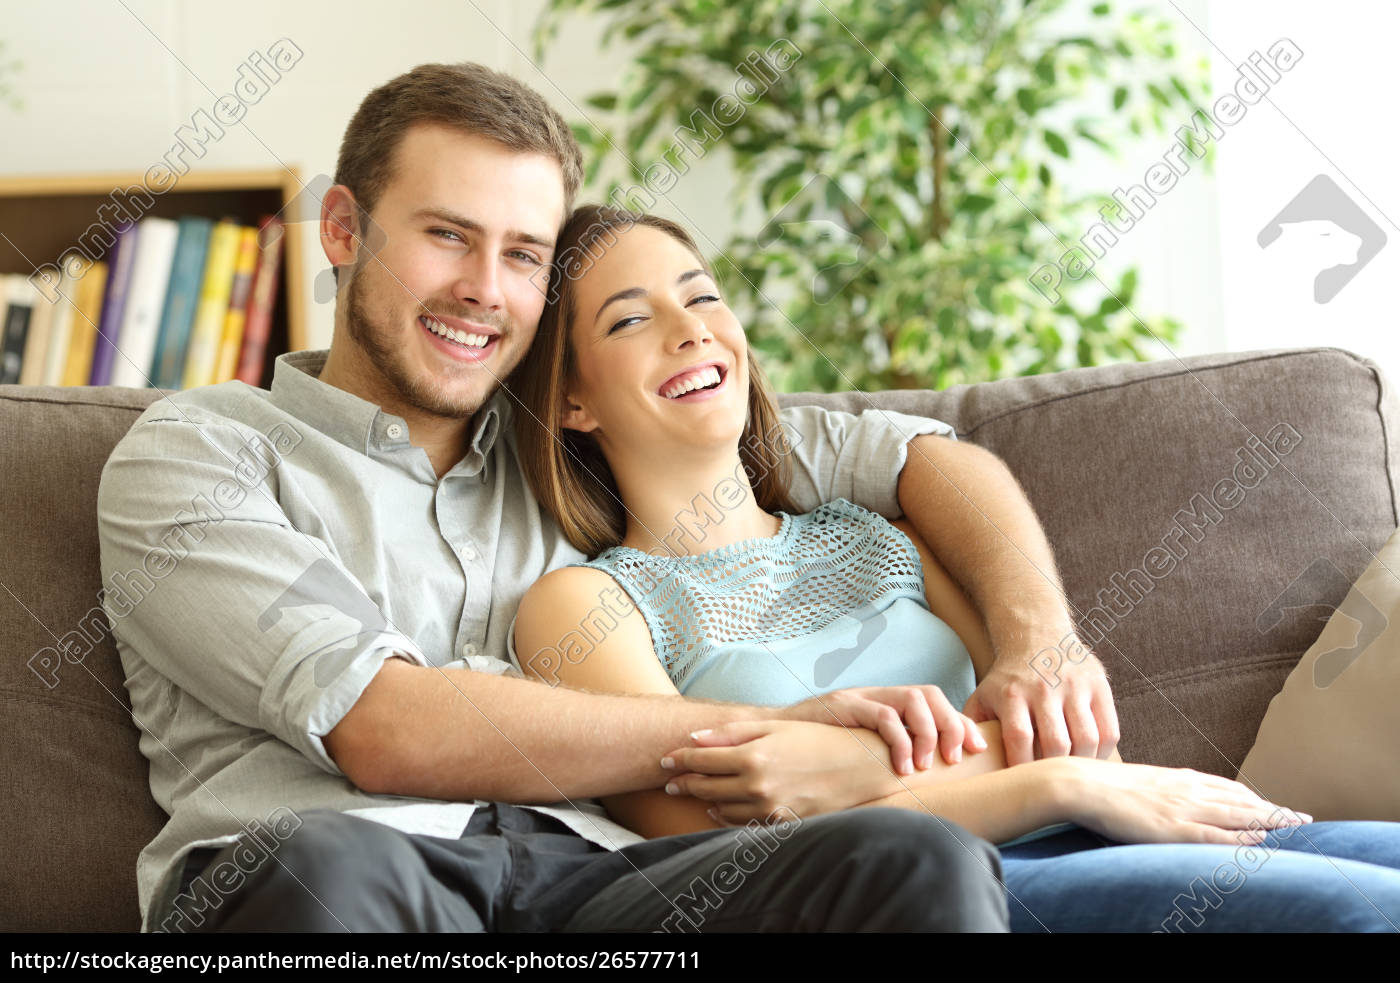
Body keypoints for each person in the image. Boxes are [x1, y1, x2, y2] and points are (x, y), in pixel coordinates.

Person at [94, 61, 1112, 934]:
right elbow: (379, 723)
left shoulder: (571, 440)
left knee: (902, 855)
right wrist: (763, 730)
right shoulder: (198, 452)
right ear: (343, 228)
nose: (485, 289)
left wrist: (1036, 638)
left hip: (589, 874)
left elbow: (914, 456)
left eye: (523, 255)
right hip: (334, 866)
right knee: (324, 864)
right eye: (447, 236)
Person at [508, 204, 1400, 933]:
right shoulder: (583, 605)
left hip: (1114, 826)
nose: (688, 330)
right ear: (571, 398)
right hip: (960, 892)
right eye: (630, 318)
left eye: (701, 297)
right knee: (1359, 915)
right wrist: (1048, 782)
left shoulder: (878, 533)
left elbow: (1074, 731)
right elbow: (720, 859)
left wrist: (859, 771)